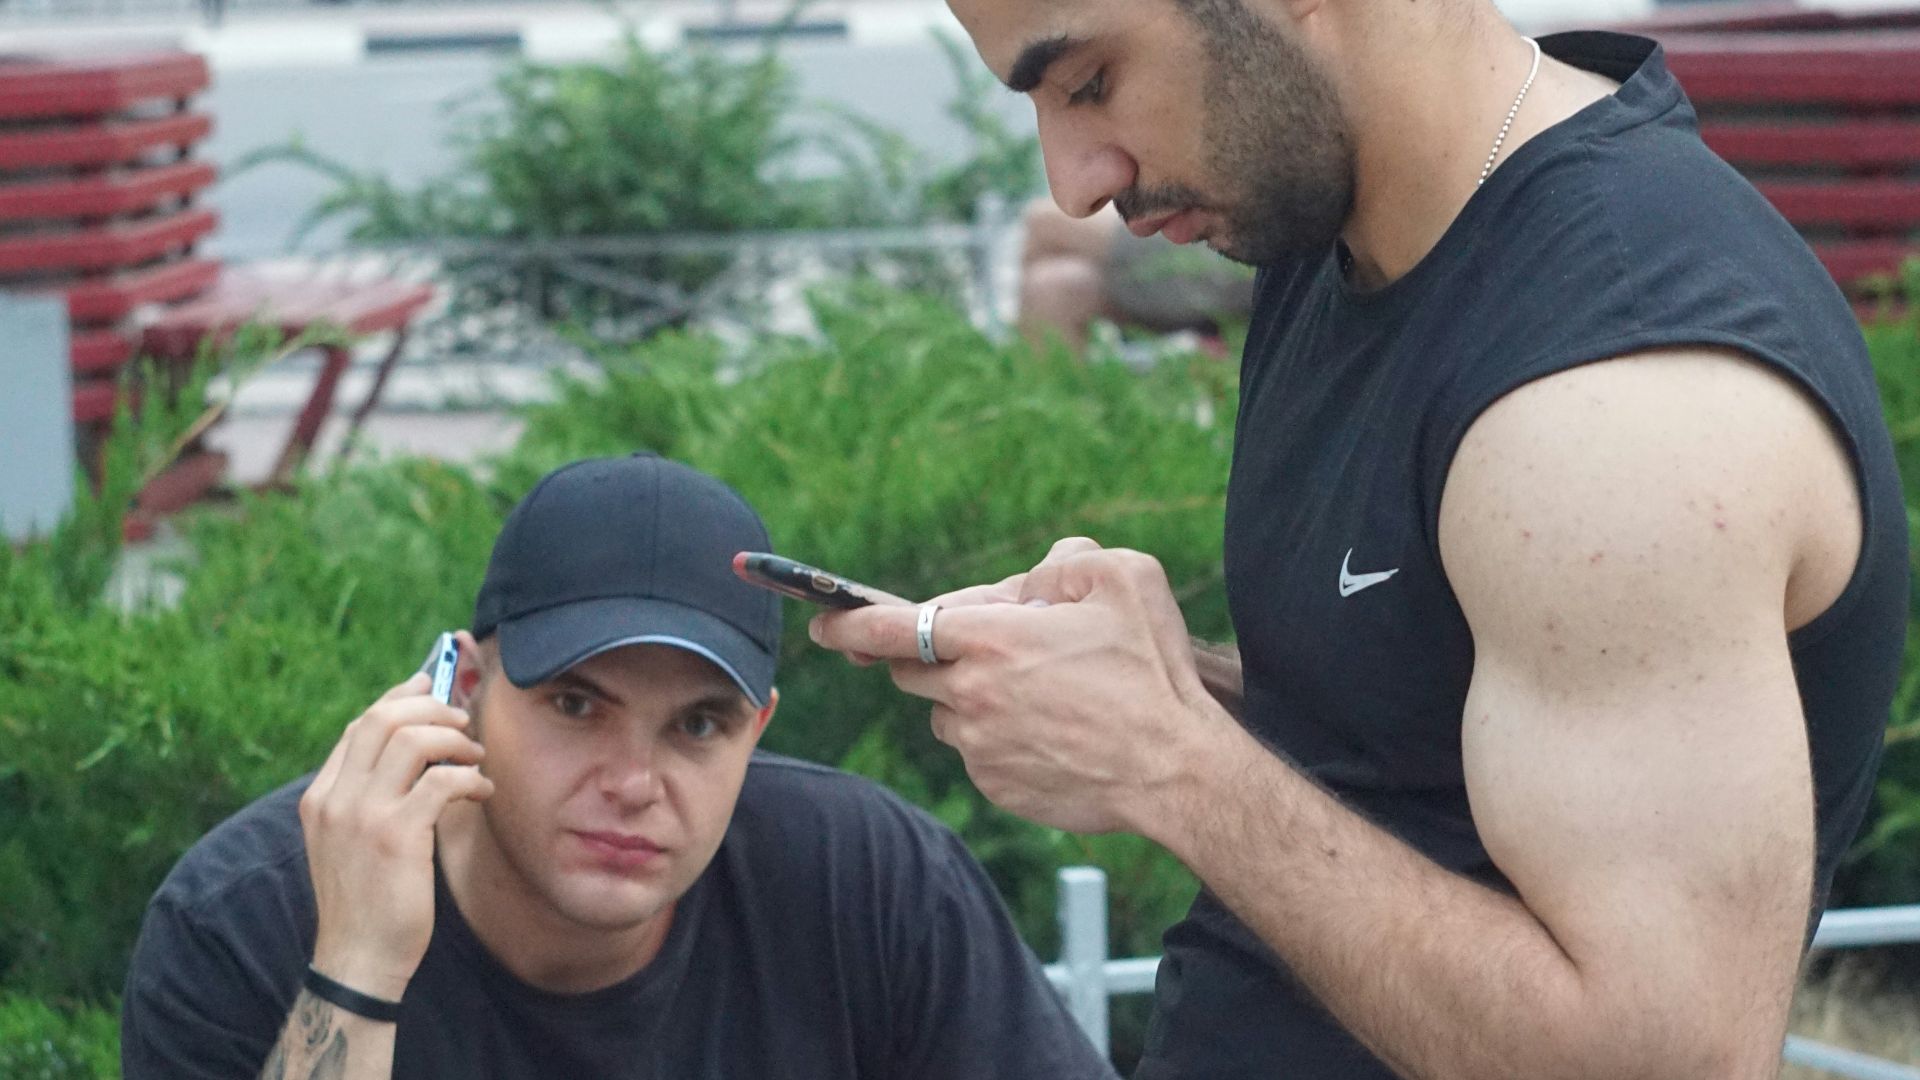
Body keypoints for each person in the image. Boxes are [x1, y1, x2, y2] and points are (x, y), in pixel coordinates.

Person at [811, 2, 1911, 1078]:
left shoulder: (1613, 399)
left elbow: (1666, 1058)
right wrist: (1152, 691)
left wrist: (1172, 764)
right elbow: (1426, 757)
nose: (1074, 180)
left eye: (1090, 82)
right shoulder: (1343, 226)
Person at [121, 453, 1116, 1080]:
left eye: (697, 727)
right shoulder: (246, 921)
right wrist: (358, 972)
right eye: (575, 704)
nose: (633, 781)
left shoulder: (867, 884)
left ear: (757, 731)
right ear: (461, 688)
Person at [1018, 198, 1254, 353]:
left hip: (1246, 257)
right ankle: (1060, 418)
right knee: (1052, 287)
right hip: (1215, 250)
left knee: (1045, 221)